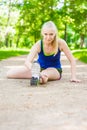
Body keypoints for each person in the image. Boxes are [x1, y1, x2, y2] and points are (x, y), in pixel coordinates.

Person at [7, 21, 81, 84]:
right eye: (46, 34)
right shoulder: (39, 44)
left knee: (45, 75)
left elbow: (72, 60)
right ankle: (36, 76)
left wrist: (73, 77)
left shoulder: (61, 43)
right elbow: (27, 62)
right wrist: (33, 70)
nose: (48, 37)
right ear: (42, 33)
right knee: (10, 73)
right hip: (38, 69)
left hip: (54, 70)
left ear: (55, 33)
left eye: (51, 34)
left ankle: (39, 78)